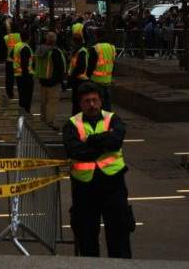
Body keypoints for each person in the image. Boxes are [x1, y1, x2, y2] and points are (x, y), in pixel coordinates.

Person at [63, 81, 132, 258]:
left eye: (94, 100)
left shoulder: (113, 119)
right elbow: (74, 150)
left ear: (101, 101)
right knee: (87, 238)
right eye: (87, 101)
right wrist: (103, 147)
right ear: (80, 103)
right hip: (84, 187)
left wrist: (90, 141)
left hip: (113, 184)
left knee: (118, 234)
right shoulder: (71, 124)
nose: (91, 104)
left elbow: (116, 140)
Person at [35, 31, 65, 127]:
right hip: (53, 81)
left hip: (43, 80)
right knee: (51, 103)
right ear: (55, 40)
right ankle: (49, 122)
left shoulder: (39, 50)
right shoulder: (55, 52)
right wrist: (61, 81)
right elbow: (59, 68)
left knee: (43, 102)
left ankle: (42, 120)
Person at [86, 28, 116, 111]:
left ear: (95, 35)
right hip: (107, 80)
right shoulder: (112, 47)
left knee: (98, 103)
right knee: (108, 103)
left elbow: (91, 65)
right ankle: (108, 120)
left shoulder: (95, 48)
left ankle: (99, 120)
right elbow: (113, 64)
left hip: (96, 80)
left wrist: (88, 76)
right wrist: (111, 76)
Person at [13, 27, 35, 114]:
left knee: (22, 98)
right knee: (27, 98)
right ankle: (26, 115)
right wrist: (27, 78)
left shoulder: (18, 45)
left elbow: (12, 56)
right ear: (29, 37)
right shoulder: (25, 48)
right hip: (25, 76)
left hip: (19, 75)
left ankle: (22, 114)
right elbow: (24, 64)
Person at [67, 33, 89, 116]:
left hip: (80, 80)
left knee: (78, 103)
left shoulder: (81, 51)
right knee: (76, 102)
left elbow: (80, 67)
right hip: (78, 80)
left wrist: (72, 76)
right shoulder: (78, 51)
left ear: (75, 42)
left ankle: (77, 120)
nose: (71, 44)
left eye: (72, 42)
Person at [3, 22, 21, 100]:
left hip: (10, 61)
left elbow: (4, 50)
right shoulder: (21, 37)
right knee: (19, 78)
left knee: (9, 79)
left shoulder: (6, 37)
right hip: (20, 61)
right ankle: (21, 93)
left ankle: (10, 94)